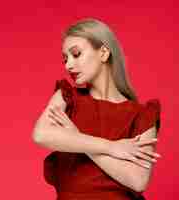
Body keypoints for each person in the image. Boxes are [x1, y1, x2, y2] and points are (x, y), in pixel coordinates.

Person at [32, 18, 161, 200]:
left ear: (103, 53)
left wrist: (76, 138)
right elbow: (41, 135)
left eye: (76, 54)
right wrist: (111, 147)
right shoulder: (68, 98)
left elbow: (138, 180)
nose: (68, 65)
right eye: (65, 59)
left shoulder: (141, 114)